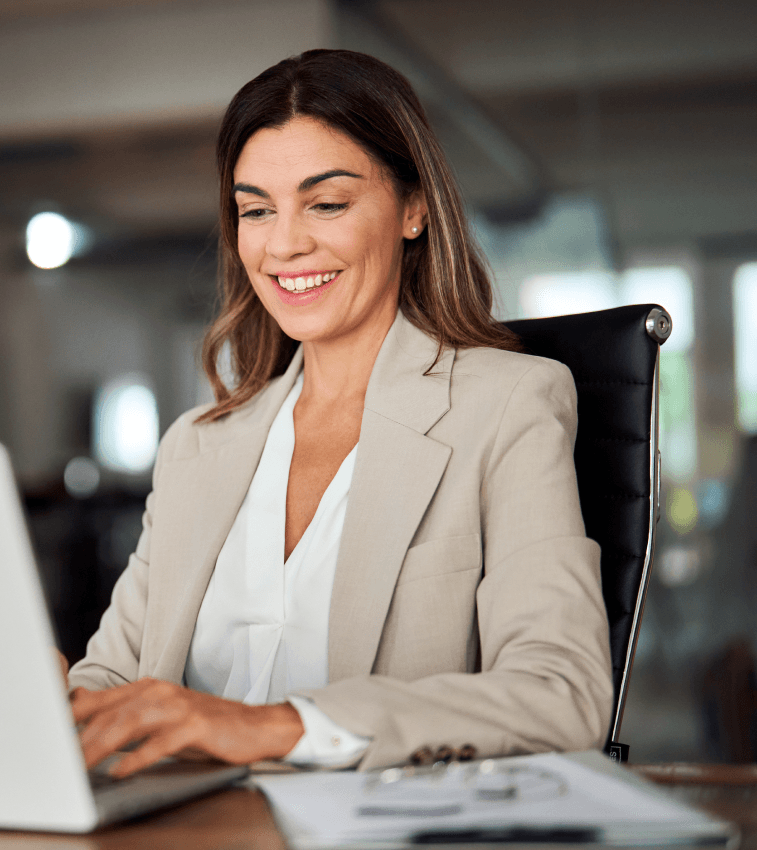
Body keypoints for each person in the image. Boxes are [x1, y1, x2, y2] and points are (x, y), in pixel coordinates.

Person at [66, 49, 612, 776]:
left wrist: (276, 728)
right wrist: (48, 701)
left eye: (326, 203)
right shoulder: (198, 446)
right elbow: (112, 685)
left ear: (412, 209)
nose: (285, 242)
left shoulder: (507, 405)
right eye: (256, 209)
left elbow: (560, 694)